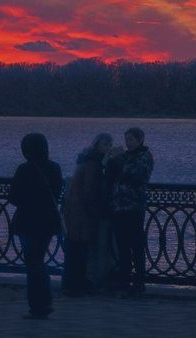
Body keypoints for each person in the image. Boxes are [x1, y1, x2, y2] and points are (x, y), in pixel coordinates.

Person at [7, 133, 64, 320]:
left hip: (28, 222)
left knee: (33, 263)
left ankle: (38, 305)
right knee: (38, 259)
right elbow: (57, 192)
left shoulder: (24, 169)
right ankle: (45, 302)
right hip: (47, 222)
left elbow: (13, 196)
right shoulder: (55, 168)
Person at [61, 133, 113, 296]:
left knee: (74, 248)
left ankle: (71, 283)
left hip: (75, 210)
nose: (108, 148)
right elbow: (90, 190)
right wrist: (96, 211)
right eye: (105, 145)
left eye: (110, 145)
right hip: (82, 212)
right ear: (97, 145)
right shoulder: (93, 164)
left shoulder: (87, 160)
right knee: (79, 249)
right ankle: (77, 284)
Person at [108, 126, 154, 298]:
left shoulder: (144, 156)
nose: (128, 143)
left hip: (134, 207)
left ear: (140, 140)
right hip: (119, 207)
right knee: (123, 247)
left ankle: (138, 283)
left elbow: (137, 177)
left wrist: (119, 161)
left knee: (136, 246)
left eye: (131, 140)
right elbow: (112, 175)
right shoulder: (125, 156)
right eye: (127, 139)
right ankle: (124, 281)